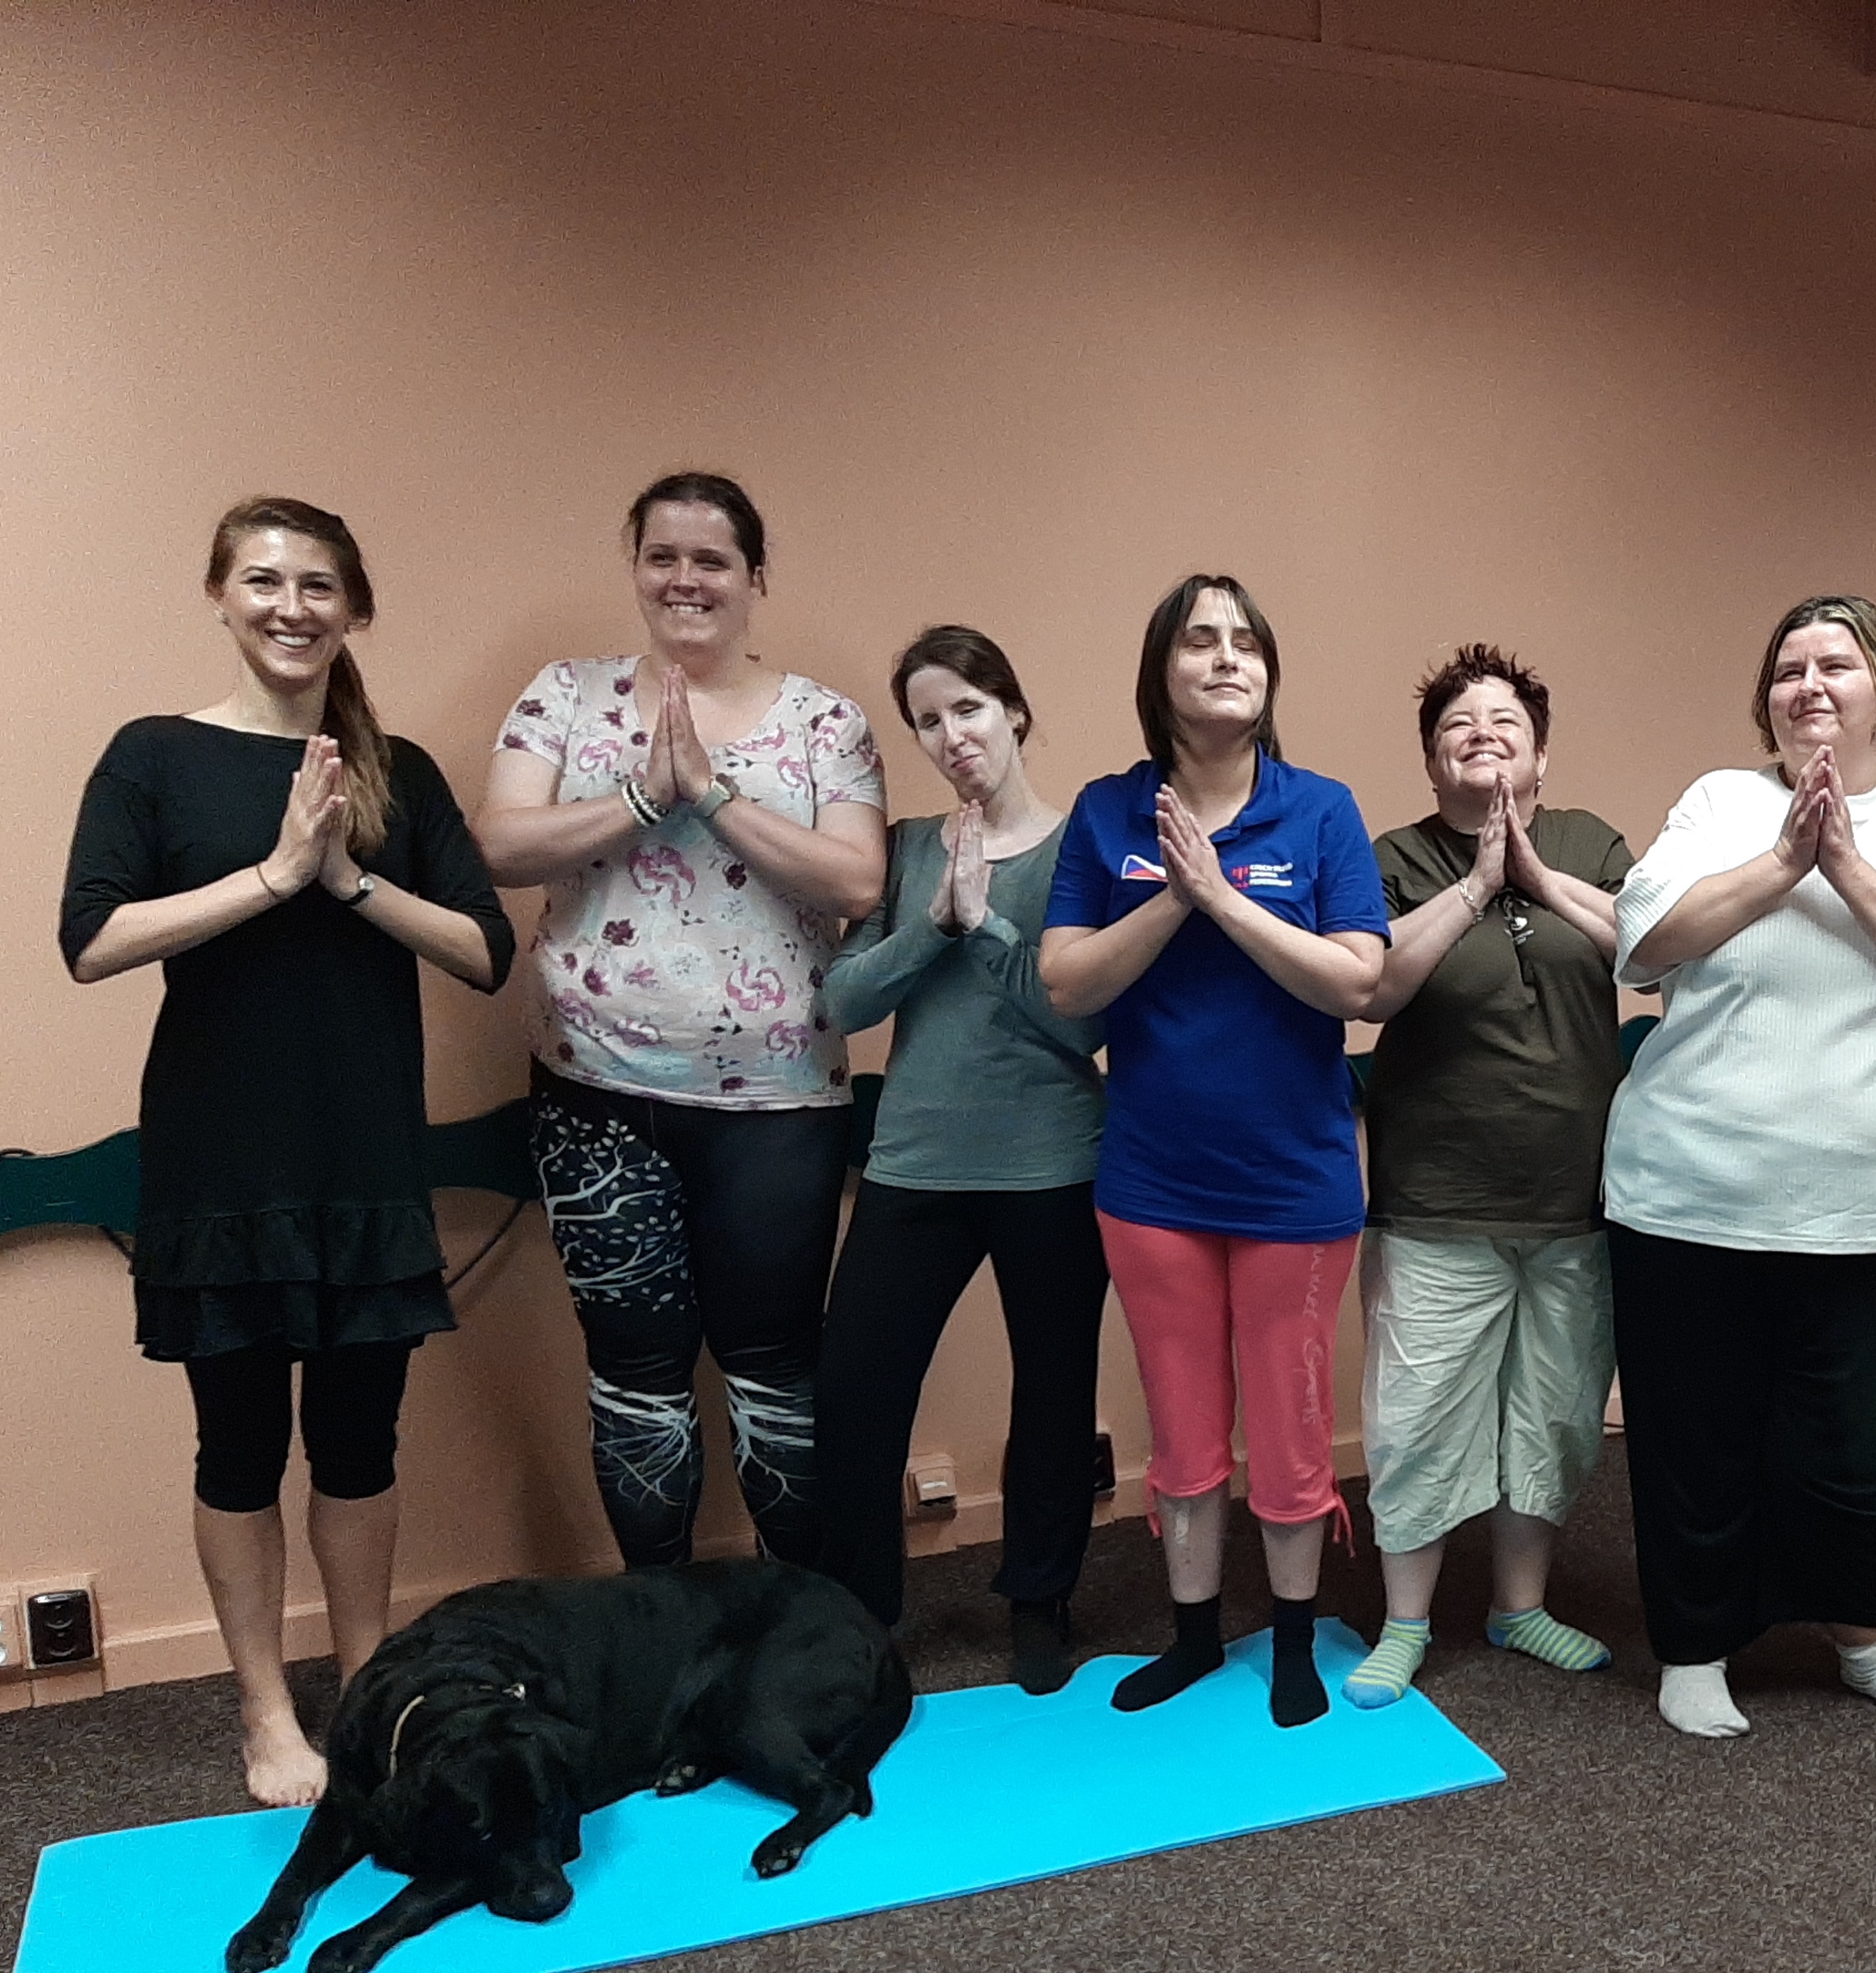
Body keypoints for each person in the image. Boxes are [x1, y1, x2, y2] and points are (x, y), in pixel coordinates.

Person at [60, 497, 513, 1806]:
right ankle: (266, 1711)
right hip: (221, 1167)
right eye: (263, 580)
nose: (290, 606)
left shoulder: (397, 771)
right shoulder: (152, 756)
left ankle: (367, 1690)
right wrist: (270, 875)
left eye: (318, 585)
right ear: (219, 594)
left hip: (363, 1161)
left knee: (362, 1444)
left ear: (353, 608)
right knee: (240, 1447)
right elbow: (91, 941)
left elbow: (487, 953)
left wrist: (349, 881)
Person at [1604, 595, 1876, 1739]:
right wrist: (1783, 861)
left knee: (1845, 1450)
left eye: (1838, 664)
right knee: (1694, 1437)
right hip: (1685, 1191)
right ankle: (1695, 1647)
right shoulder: (1720, 803)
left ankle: (1864, 1640)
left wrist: (1847, 865)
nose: (1811, 685)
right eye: (1790, 669)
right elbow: (1644, 942)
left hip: (1856, 1206)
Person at [475, 472, 886, 1573]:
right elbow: (501, 846)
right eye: (663, 556)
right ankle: (659, 1623)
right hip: (596, 1094)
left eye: (712, 560)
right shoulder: (565, 695)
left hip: (780, 1106)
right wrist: (641, 798)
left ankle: (797, 1624)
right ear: (636, 568)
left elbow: (857, 881)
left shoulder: (826, 720)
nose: (685, 579)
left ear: (755, 578)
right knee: (636, 1373)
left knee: (775, 1367)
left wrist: (710, 794)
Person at [1040, 575, 1388, 1730]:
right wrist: (1174, 900)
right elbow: (1066, 982)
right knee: (1183, 1425)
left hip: (1295, 1182)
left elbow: (1358, 980)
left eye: (1247, 641)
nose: (1228, 657)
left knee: (1289, 1429)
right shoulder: (1107, 812)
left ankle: (1290, 1637)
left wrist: (1223, 899)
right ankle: (1193, 1636)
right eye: (1201, 640)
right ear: (1162, 672)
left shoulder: (1320, 809)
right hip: (1153, 1184)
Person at [814, 627, 1108, 1688]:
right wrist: (936, 923)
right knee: (855, 1396)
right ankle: (859, 1618)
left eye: (969, 709)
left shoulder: (1082, 850)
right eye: (929, 721)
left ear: (1015, 711)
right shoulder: (903, 850)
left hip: (1053, 1167)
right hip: (915, 1165)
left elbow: (1084, 1025)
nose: (953, 736)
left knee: (1055, 1395)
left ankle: (1040, 1598)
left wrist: (987, 927)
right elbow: (841, 1001)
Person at [1346, 645, 1637, 1708]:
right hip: (1437, 1197)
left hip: (1577, 1196)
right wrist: (1475, 883)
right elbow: (1372, 986)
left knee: (1554, 1416)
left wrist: (1538, 879)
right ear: (1433, 762)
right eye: (1457, 726)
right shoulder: (1393, 857)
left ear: (1541, 755)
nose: (1482, 735)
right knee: (1416, 1419)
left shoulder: (1588, 841)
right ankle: (1405, 1624)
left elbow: (1653, 954)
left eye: (1505, 721)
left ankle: (1520, 1607)